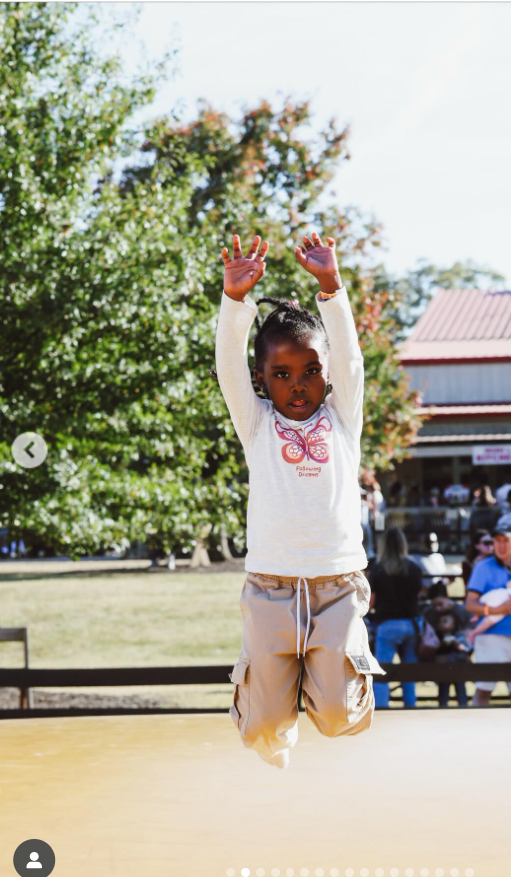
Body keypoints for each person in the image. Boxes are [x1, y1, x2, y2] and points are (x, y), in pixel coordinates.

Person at [215, 230, 385, 769]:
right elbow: (226, 367)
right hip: (270, 588)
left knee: (337, 717)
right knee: (263, 728)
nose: (299, 385)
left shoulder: (342, 419)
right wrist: (234, 302)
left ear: (327, 374)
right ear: (262, 380)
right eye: (283, 374)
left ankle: (321, 686)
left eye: (312, 371)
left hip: (335, 587)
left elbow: (353, 361)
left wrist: (332, 288)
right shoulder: (257, 424)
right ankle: (275, 707)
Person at [465, 523, 511, 707]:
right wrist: (495, 610)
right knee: (483, 690)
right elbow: (471, 603)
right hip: (491, 637)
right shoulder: (483, 567)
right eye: (497, 540)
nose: (501, 545)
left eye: (506, 540)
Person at [368, 526, 426, 709]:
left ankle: (382, 708)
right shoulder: (414, 567)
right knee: (409, 674)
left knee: (381, 673)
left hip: (387, 624)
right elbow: (420, 595)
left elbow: (370, 602)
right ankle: (411, 707)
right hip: (411, 623)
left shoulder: (378, 569)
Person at [432, 611, 471, 708]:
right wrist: (441, 643)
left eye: (445, 621)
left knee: (460, 689)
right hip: (443, 671)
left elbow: (465, 650)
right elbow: (434, 651)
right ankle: (442, 707)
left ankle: (463, 707)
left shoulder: (459, 636)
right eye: (440, 622)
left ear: (454, 624)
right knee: (443, 690)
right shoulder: (436, 637)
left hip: (458, 670)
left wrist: (457, 644)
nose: (442, 624)